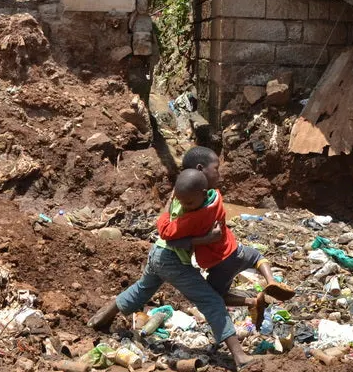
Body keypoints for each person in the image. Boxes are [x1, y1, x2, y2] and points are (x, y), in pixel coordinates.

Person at [88, 169, 253, 368]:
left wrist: (170, 203)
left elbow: (168, 224)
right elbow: (171, 237)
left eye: (189, 203)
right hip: (170, 259)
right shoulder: (198, 208)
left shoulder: (182, 199)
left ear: (203, 192)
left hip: (157, 252)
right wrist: (207, 239)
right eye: (182, 201)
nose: (186, 206)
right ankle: (239, 355)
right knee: (211, 300)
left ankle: (102, 318)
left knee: (143, 288)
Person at [160, 146, 294, 325]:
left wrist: (168, 208)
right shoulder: (215, 196)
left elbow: (166, 232)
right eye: (216, 169)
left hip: (217, 263)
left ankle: (252, 301)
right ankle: (270, 282)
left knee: (214, 296)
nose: (219, 175)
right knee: (257, 256)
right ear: (201, 170)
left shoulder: (193, 216)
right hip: (234, 250)